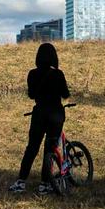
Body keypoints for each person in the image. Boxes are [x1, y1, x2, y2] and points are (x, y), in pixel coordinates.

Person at [9, 42, 70, 195]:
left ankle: (21, 182)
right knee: (49, 150)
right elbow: (65, 94)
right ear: (54, 57)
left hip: (39, 114)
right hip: (56, 114)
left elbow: (31, 95)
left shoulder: (32, 74)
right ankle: (45, 184)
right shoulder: (58, 74)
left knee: (32, 148)